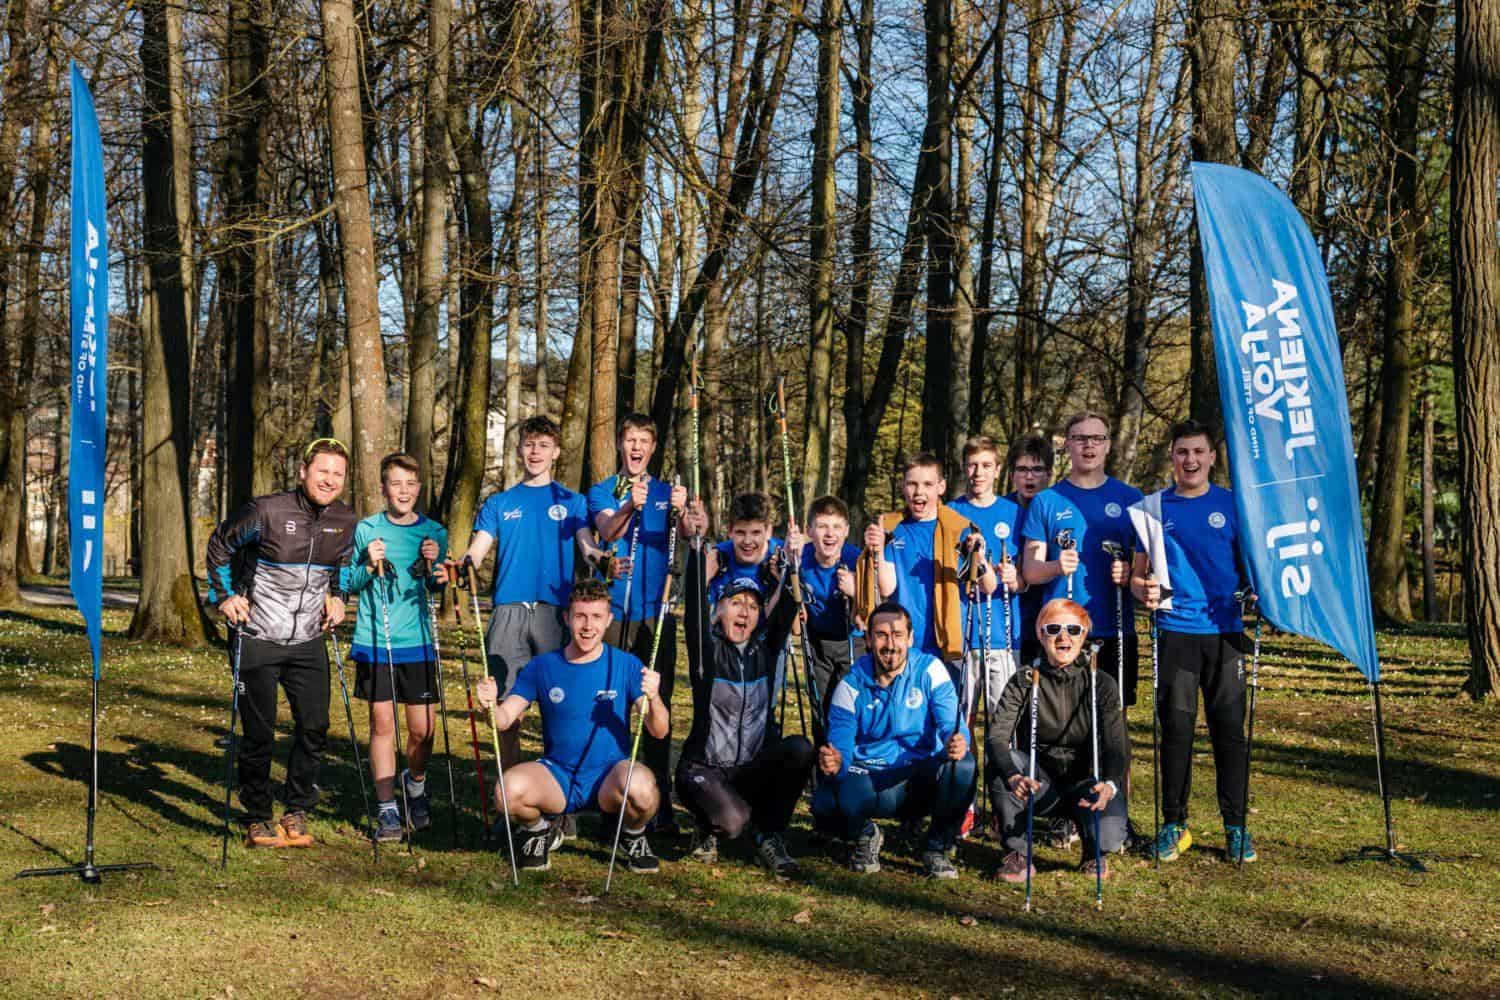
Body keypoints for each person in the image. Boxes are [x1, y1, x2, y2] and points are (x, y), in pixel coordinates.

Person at [205, 438, 356, 849]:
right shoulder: (266, 511)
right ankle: (257, 814)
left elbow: (342, 564)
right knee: (259, 731)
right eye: (322, 471)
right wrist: (225, 597)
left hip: (308, 638)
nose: (329, 480)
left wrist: (340, 597)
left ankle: (296, 807)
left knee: (314, 727)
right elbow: (219, 546)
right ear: (303, 471)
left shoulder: (344, 520)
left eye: (337, 474)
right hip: (257, 635)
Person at [473, 579, 668, 874]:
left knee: (643, 789)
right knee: (507, 792)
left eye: (597, 617)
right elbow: (504, 718)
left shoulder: (625, 665)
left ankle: (633, 835)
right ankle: (539, 831)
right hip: (558, 774)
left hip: (609, 776)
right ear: (566, 618)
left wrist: (654, 699)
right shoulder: (542, 666)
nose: (588, 626)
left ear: (609, 620)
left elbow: (659, 730)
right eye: (580, 616)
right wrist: (488, 706)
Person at [1130, 419, 1257, 863]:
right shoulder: (1151, 509)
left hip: (1225, 634)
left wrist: (1255, 594)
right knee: (1177, 731)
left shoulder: (1234, 505)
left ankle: (1236, 828)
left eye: (1198, 452)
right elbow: (1136, 574)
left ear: (1212, 457)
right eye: (1182, 452)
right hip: (1176, 632)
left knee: (1229, 733)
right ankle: (1173, 824)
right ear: (1172, 456)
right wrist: (1140, 589)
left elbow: (1251, 569)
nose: (1190, 460)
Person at [459, 415, 603, 768]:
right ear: (519, 450)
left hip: (554, 614)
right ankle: (513, 797)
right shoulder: (499, 503)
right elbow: (477, 550)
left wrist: (602, 559)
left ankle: (561, 801)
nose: (535, 452)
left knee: (562, 710)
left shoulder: (574, 501)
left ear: (555, 452)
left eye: (543, 445)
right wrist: (464, 563)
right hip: (508, 612)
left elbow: (588, 546)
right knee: (506, 709)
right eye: (529, 444)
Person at [673, 523, 813, 875]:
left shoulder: (765, 651)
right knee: (733, 823)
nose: (744, 612)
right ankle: (707, 823)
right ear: (719, 611)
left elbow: (789, 604)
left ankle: (769, 835)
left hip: (748, 769)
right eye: (735, 603)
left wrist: (795, 559)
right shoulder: (707, 651)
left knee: (799, 749)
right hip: (703, 769)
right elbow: (693, 608)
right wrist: (695, 550)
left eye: (752, 606)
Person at [812, 602, 977, 879]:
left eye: (898, 634)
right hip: (874, 777)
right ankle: (867, 834)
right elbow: (840, 745)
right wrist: (837, 760)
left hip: (921, 777)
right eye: (881, 635)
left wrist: (956, 739)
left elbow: (952, 723)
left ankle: (937, 847)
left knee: (963, 766)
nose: (890, 644)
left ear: (910, 639)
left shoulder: (930, 670)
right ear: (867, 639)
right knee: (824, 803)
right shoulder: (850, 685)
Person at [587, 413, 688, 834]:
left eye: (644, 440)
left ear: (652, 447)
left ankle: (657, 798)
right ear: (620, 444)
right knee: (611, 703)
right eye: (630, 439)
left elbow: (690, 536)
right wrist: (632, 504)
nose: (636, 447)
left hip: (655, 612)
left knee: (655, 704)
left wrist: (683, 514)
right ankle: (610, 798)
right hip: (615, 614)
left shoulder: (668, 492)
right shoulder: (601, 491)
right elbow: (607, 530)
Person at [340, 453, 449, 842]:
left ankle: (415, 783)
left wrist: (438, 569)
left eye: (410, 484)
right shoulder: (366, 529)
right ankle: (387, 809)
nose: (403, 491)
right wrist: (369, 564)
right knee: (382, 724)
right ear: (383, 489)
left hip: (418, 642)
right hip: (376, 640)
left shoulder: (435, 531)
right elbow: (348, 583)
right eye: (395, 484)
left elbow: (438, 586)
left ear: (419, 489)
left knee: (423, 730)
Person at [987, 599, 1128, 883]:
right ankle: (1018, 855)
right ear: (1040, 634)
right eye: (1054, 629)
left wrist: (1110, 784)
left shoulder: (1101, 683)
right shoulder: (1024, 680)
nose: (1064, 637)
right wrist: (1014, 776)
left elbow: (1117, 745)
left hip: (1085, 784)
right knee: (1005, 764)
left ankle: (1093, 851)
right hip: (1039, 783)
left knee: (1110, 838)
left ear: (1085, 634)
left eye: (1073, 630)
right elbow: (996, 738)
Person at [1021, 413, 1142, 708]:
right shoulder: (1046, 501)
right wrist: (1055, 567)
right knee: (1062, 725)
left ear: (1108, 445)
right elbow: (1030, 571)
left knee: (1112, 725)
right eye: (1080, 438)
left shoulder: (1132, 499)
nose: (1089, 445)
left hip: (1115, 629)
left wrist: (1131, 573)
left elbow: (1148, 570)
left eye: (1097, 438)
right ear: (1067, 445)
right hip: (1061, 633)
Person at [859, 454, 997, 670]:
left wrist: (978, 557)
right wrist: (877, 551)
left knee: (946, 704)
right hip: (903, 642)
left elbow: (989, 586)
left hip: (948, 644)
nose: (919, 492)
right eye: (912, 484)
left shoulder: (958, 529)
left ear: (941, 487)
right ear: (903, 487)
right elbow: (887, 587)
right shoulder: (893, 528)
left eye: (927, 484)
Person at [948, 437, 1026, 718]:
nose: (978, 473)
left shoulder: (1015, 513)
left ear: (997, 469)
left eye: (985, 465)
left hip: (1003, 636)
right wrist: (977, 562)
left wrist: (1014, 577)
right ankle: (965, 765)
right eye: (972, 465)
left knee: (1002, 721)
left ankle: (1001, 765)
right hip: (963, 635)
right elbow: (952, 572)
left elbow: (1023, 580)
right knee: (961, 719)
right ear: (963, 469)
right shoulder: (951, 513)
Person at [785, 495, 862, 722]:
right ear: (809, 530)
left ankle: (850, 754)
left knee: (849, 702)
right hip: (817, 642)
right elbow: (781, 567)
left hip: (851, 640)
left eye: (837, 527)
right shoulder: (802, 558)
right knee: (821, 703)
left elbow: (871, 607)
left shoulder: (856, 558)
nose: (830, 534)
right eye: (822, 526)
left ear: (846, 530)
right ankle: (823, 752)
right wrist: (790, 554)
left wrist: (855, 590)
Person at [1005, 434, 1054, 665]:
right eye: (1022, 469)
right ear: (1012, 474)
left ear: (1049, 474)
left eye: (1037, 469)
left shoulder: (1060, 510)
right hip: (1009, 620)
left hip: (1050, 617)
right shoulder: (1001, 511)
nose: (1029, 476)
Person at [704, 491, 783, 603]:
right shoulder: (717, 558)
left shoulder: (784, 556)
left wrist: (787, 579)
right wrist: (704, 579)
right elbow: (701, 614)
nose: (747, 541)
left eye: (756, 533)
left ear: (768, 532)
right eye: (740, 532)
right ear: (730, 531)